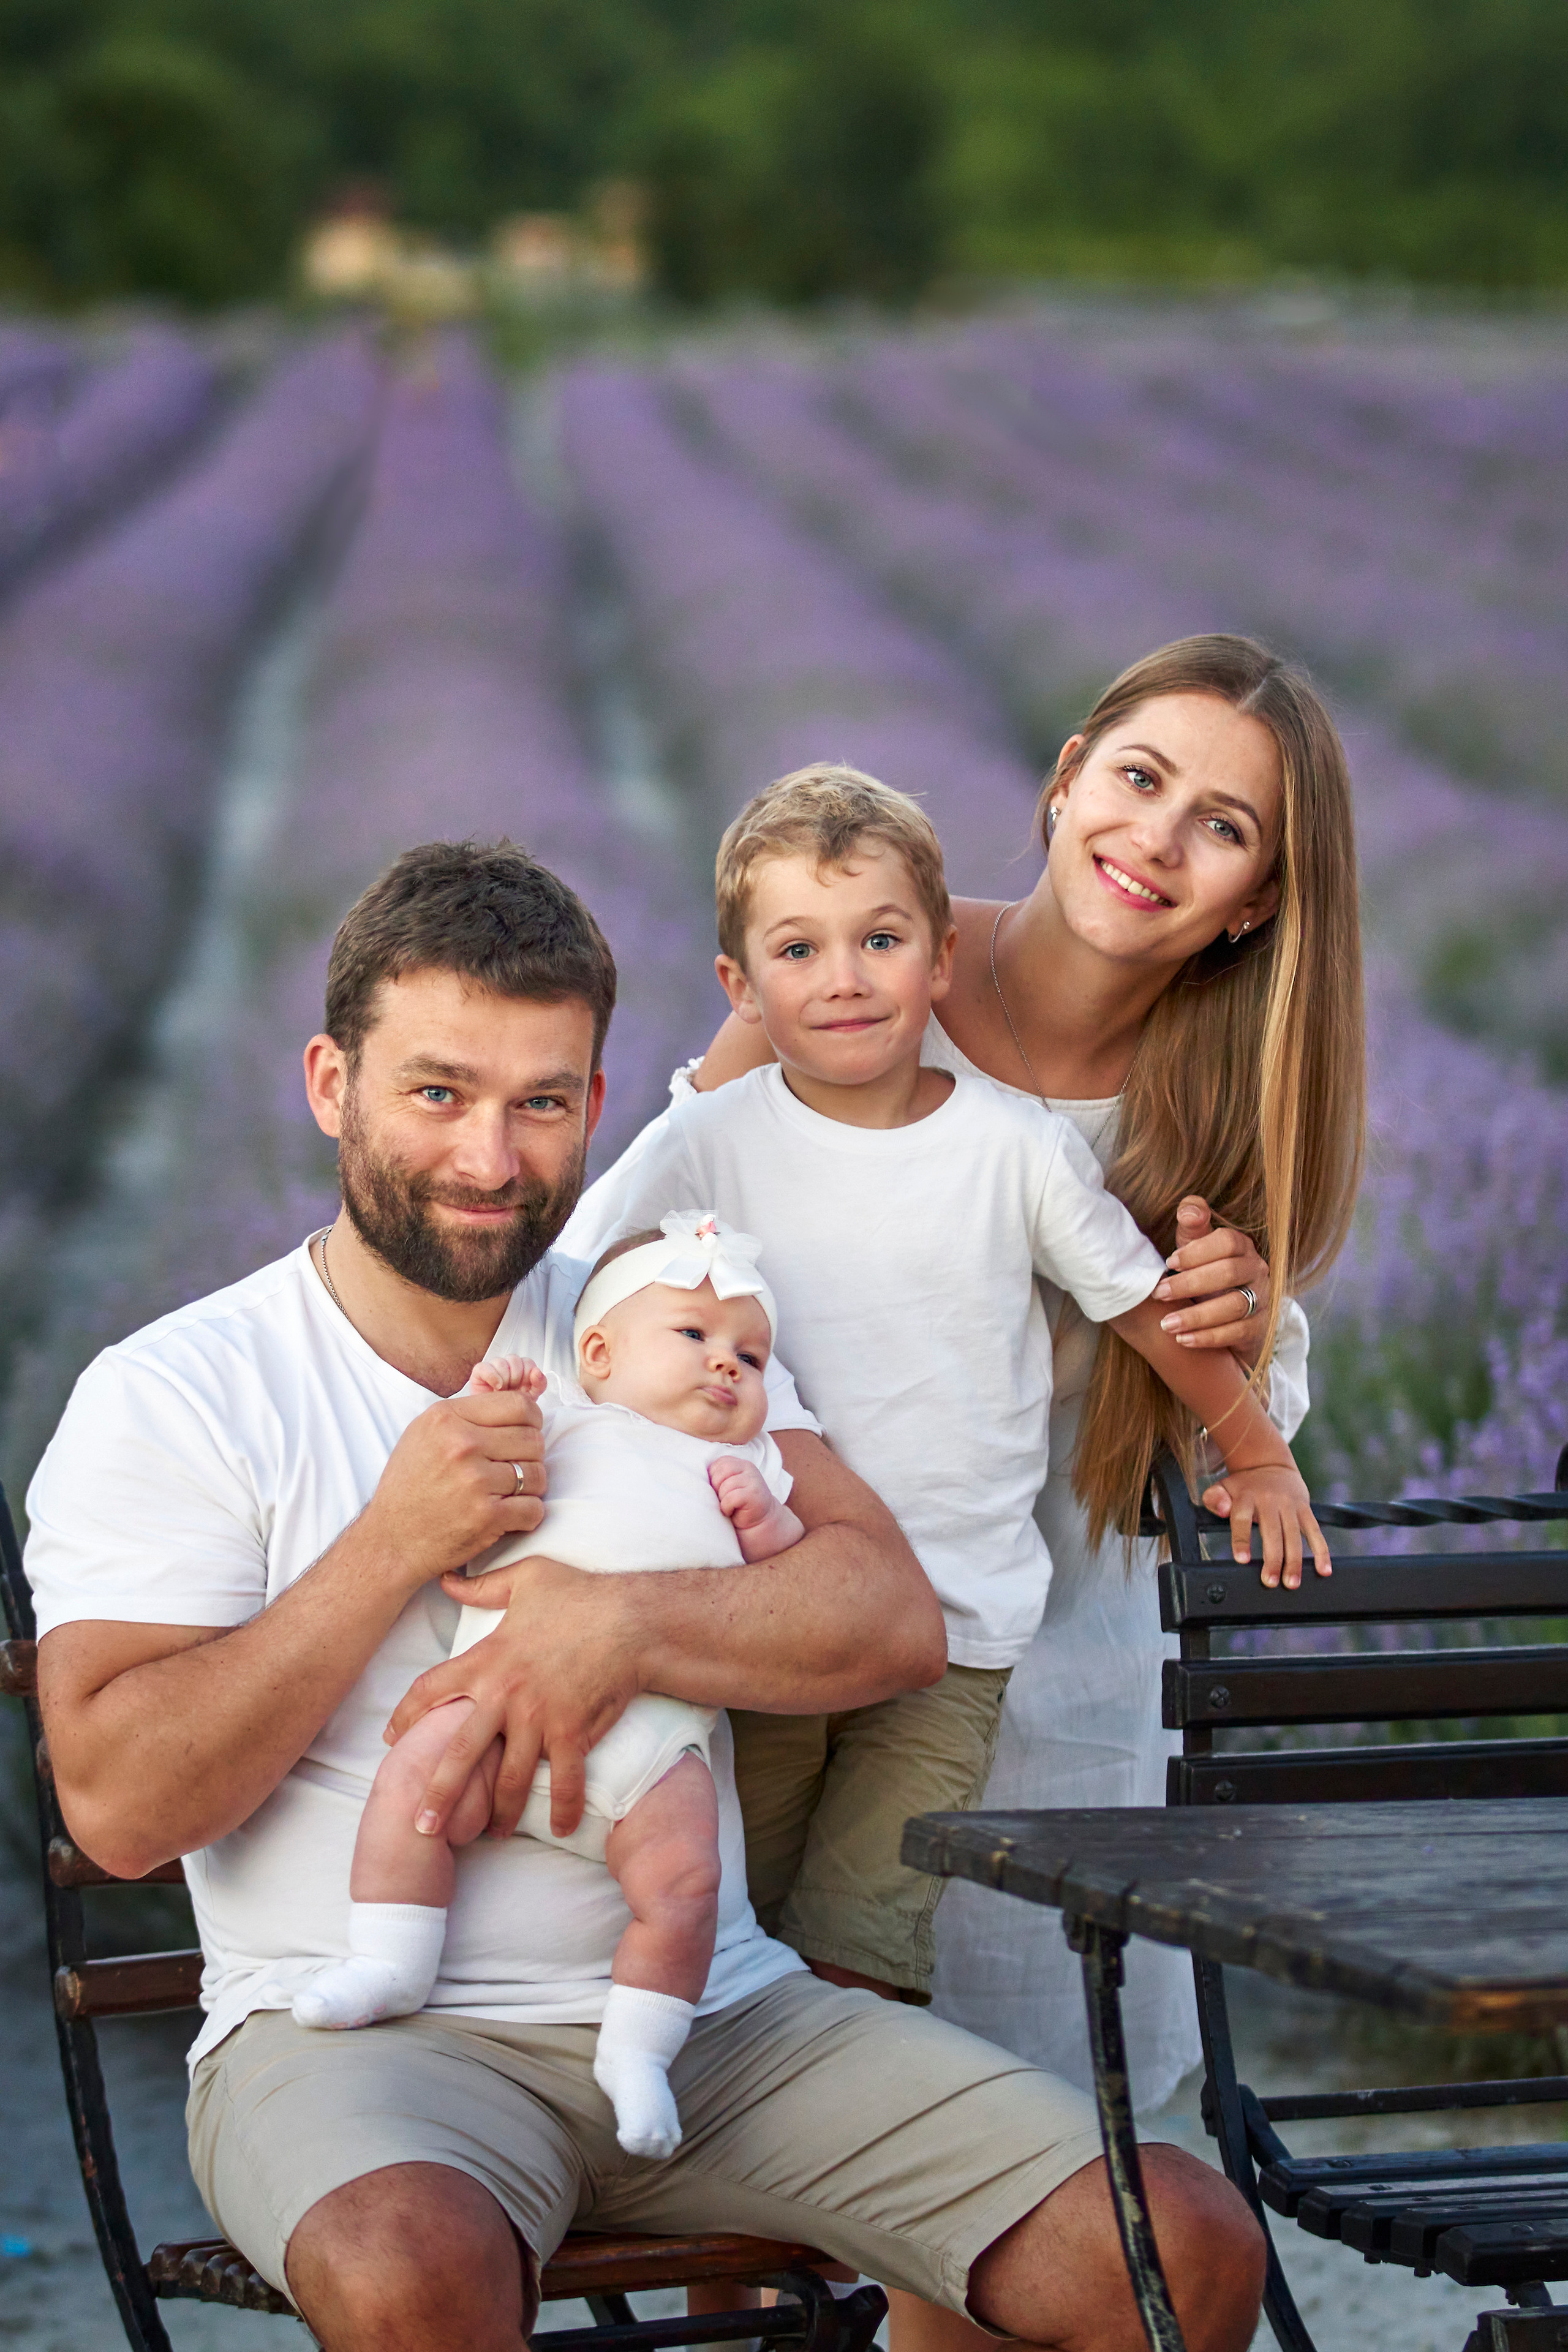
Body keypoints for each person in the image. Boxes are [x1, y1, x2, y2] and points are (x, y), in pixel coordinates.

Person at [26, 839, 1267, 2352]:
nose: (491, 1158)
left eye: (540, 1102)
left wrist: (610, 1620)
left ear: (597, 1109)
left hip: (718, 2013)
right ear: (327, 1083)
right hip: (357, 2039)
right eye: (437, 1093)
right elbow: (122, 1809)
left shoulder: (660, 1324)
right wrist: (388, 1546)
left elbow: (887, 1615)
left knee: (1178, 2248)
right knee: (411, 2266)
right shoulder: (181, 1390)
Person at [636, 635, 1365, 2351]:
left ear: (1256, 901)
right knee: (745, 2131)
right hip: (790, 1627)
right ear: (1060, 779)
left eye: (1227, 829)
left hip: (1048, 1677)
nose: (1160, 840)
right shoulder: (859, 959)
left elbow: (1239, 1420)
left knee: (990, 2201)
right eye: (1140, 780)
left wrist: (1256, 1336)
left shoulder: (1212, 1101)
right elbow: (662, 1244)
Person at [560, 763, 1329, 2010]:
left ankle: (854, 2171)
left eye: (879, 941)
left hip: (955, 1636)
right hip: (768, 1612)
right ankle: (729, 2182)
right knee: (712, 1924)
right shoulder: (709, 1140)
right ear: (738, 988)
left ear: (941, 960)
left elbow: (1139, 1308)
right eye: (797, 950)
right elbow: (581, 1291)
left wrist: (1252, 1448)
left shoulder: (1008, 1150)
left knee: (865, 1953)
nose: (844, 978)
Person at [290, 1214, 805, 2167]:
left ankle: (639, 2050)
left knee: (687, 1883)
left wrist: (767, 1524)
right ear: (599, 1353)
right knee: (414, 1787)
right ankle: (390, 1963)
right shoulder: (568, 1422)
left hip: (652, 1747)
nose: (728, 1366)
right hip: (491, 1711)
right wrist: (499, 1398)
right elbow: (486, 1478)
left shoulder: (757, 1463)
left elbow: (791, 1590)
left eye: (751, 1354)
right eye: (693, 1337)